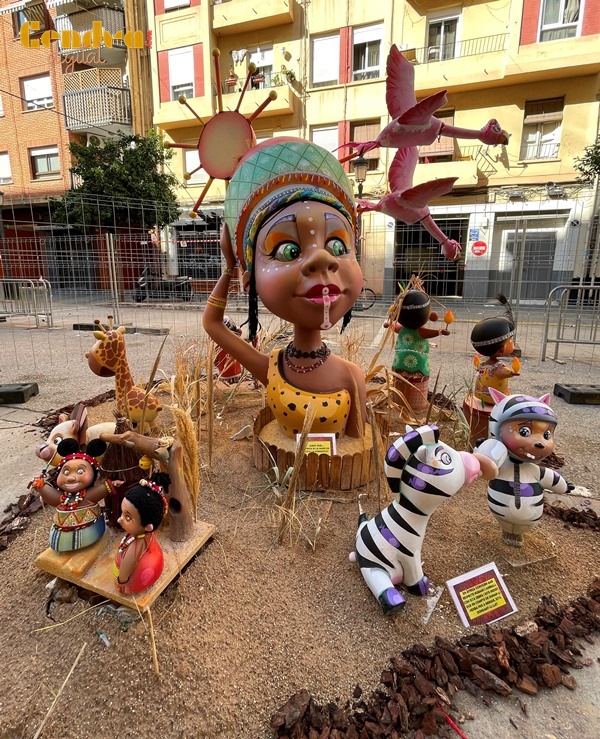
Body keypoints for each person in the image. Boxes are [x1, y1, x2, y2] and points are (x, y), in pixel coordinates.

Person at [202, 138, 366, 440]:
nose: (322, 259)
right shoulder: (274, 368)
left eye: (337, 245)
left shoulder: (351, 376)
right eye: (288, 250)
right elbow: (212, 324)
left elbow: (357, 446)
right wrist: (229, 267)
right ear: (250, 280)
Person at [34, 438, 120, 552]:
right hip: (60, 537)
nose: (70, 478)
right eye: (65, 472)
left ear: (93, 475)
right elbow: (53, 499)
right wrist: (41, 486)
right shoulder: (63, 497)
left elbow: (103, 489)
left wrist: (111, 484)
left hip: (90, 533)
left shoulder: (87, 496)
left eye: (80, 472)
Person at [384, 289, 450, 412]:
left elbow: (394, 326)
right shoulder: (419, 331)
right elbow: (430, 332)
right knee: (416, 385)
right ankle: (413, 407)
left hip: (399, 363)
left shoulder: (403, 329)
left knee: (400, 383)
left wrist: (389, 323)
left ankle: (400, 403)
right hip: (418, 366)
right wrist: (440, 331)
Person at [113, 474, 169, 594]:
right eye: (122, 513)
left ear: (148, 527)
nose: (119, 519)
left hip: (133, 580)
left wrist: (122, 581)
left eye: (127, 517)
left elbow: (127, 566)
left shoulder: (136, 546)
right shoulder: (143, 535)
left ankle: (128, 587)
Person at [470, 295, 520, 405]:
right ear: (502, 348)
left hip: (479, 396)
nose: (513, 343)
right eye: (511, 341)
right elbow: (505, 373)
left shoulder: (484, 365)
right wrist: (513, 373)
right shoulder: (498, 367)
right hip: (494, 399)